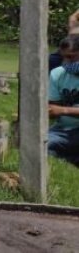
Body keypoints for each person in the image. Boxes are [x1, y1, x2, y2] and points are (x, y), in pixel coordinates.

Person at [48, 35, 79, 166]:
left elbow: (59, 109)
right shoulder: (57, 74)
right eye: (64, 57)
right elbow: (53, 106)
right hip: (63, 130)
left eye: (71, 57)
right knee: (38, 144)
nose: (66, 62)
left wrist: (63, 110)